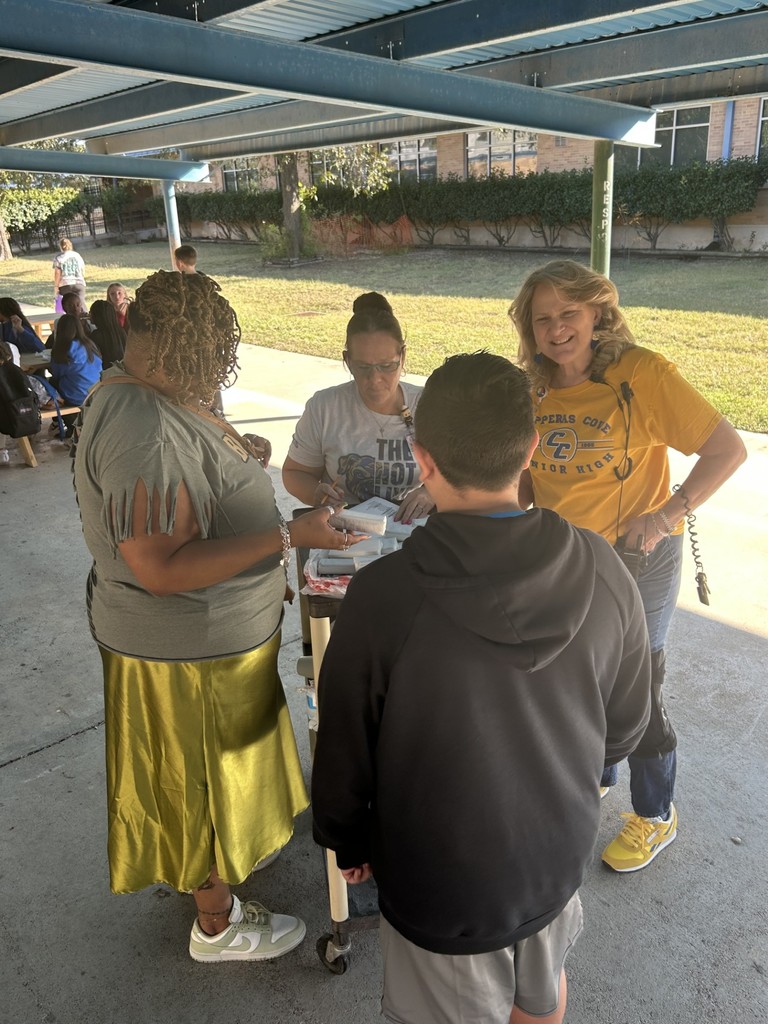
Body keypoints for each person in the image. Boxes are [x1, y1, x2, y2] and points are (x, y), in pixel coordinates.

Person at [312, 351, 652, 1024]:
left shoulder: (383, 597)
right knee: (542, 988)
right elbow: (626, 726)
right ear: (530, 451)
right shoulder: (602, 567)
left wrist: (346, 840)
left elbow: (344, 749)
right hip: (554, 860)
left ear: (423, 460)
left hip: (441, 885)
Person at [72, 269, 363, 963]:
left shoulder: (142, 387)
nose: (213, 373)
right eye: (206, 358)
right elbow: (160, 568)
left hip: (209, 643)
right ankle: (217, 923)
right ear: (176, 349)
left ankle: (222, 866)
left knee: (216, 776)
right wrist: (293, 536)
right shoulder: (145, 427)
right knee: (198, 784)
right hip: (186, 654)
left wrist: (238, 462)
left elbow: (189, 474)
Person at [509, 259, 747, 872]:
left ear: (597, 314)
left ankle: (656, 810)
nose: (557, 328)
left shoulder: (640, 374)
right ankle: (602, 769)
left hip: (637, 558)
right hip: (566, 559)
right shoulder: (533, 387)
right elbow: (535, 478)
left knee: (637, 685)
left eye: (569, 314)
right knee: (576, 675)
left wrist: (667, 514)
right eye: (543, 318)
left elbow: (728, 448)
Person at [282, 292, 433, 523]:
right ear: (347, 360)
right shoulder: (325, 408)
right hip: (345, 527)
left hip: (408, 526)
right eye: (363, 367)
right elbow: (295, 473)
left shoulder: (427, 405)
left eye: (387, 366)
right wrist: (316, 493)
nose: (375, 379)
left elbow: (462, 474)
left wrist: (431, 492)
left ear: (402, 357)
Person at [88, 299, 127, 370]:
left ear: (97, 316)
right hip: (121, 371)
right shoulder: (120, 331)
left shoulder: (96, 335)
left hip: (106, 372)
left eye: (91, 312)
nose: (89, 314)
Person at [52, 237, 86, 306]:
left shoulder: (58, 257)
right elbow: (83, 270)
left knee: (69, 305)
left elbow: (57, 273)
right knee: (81, 303)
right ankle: (84, 315)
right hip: (79, 283)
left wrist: (56, 287)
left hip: (65, 285)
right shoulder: (77, 255)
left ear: (61, 247)